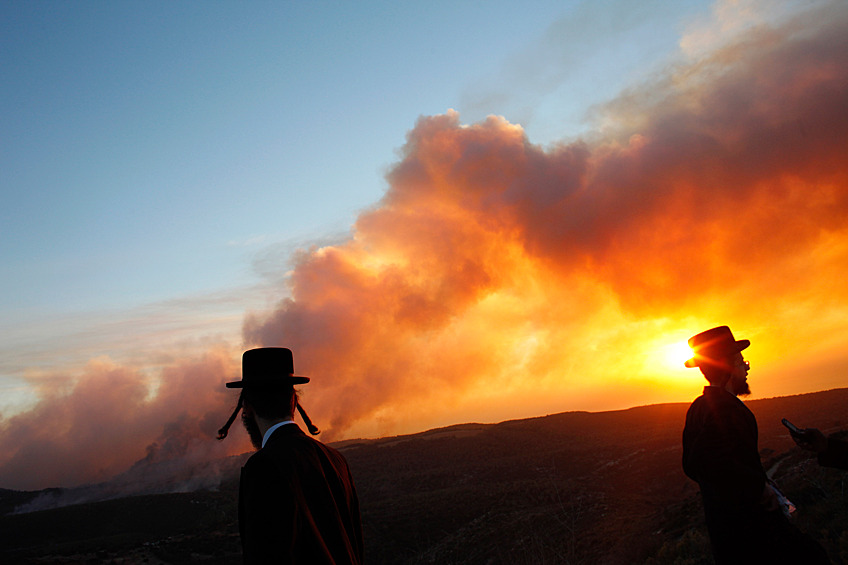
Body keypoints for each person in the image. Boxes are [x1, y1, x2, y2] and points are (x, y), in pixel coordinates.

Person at [681, 326, 828, 564]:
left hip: (726, 540)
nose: (747, 368)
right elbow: (713, 462)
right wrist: (758, 487)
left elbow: (692, 466)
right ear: (726, 366)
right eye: (742, 363)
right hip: (756, 539)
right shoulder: (729, 410)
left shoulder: (698, 407)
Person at [217, 347, 364, 564]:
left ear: (246, 408)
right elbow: (355, 545)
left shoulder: (262, 467)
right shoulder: (335, 459)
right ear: (294, 401)